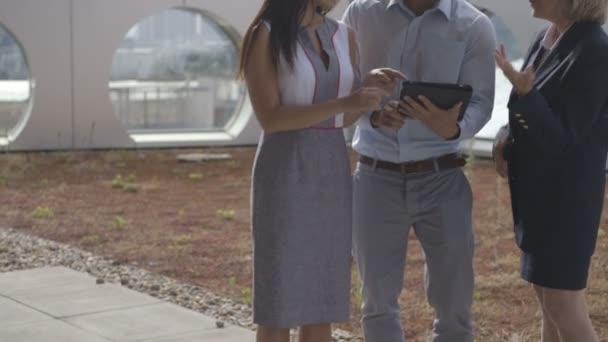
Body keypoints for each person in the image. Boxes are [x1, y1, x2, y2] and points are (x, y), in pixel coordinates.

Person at [237, 0, 404, 341]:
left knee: (323, 303)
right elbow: (270, 117)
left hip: (332, 172)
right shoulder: (264, 35)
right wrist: (347, 103)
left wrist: (370, 98)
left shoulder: (345, 36)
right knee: (278, 304)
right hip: (284, 171)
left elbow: (345, 116)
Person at [342, 0, 497, 341]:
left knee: (454, 307)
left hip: (442, 178)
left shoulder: (474, 25)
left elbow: (482, 102)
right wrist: (374, 116)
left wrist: (453, 128)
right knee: (377, 303)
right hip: (374, 176)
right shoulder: (360, 13)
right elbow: (344, 87)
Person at [493, 0, 608, 340]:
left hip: (566, 201)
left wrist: (527, 94)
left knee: (562, 301)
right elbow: (523, 110)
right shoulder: (546, 38)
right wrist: (504, 139)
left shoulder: (596, 51)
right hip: (538, 196)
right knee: (548, 299)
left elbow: (564, 137)